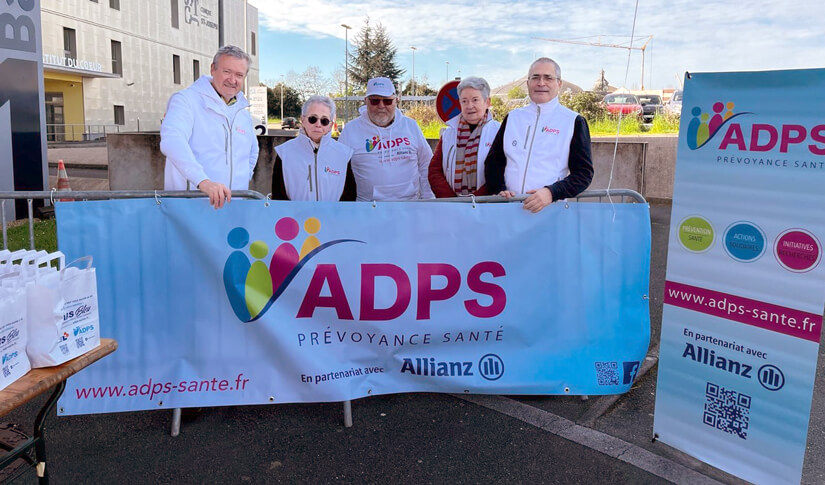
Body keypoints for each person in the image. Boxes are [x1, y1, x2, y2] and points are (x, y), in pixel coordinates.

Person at [484, 57, 593, 213]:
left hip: (550, 212)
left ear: (559, 84)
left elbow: (583, 174)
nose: (541, 83)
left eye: (548, 77)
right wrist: (499, 189)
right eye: (535, 77)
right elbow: (494, 162)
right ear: (528, 83)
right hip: (509, 211)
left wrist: (551, 193)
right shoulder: (513, 118)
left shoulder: (573, 121)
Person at [160, 45, 259, 209]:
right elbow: (172, 141)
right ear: (213, 69)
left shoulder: (242, 111)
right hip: (192, 206)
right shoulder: (186, 100)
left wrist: (242, 178)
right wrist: (203, 182)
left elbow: (252, 150)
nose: (232, 80)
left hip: (233, 206)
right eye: (227, 71)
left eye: (239, 75)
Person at [338, 77, 434, 201]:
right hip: (369, 209)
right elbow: (334, 169)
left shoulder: (411, 126)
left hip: (409, 206)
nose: (381, 106)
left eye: (387, 101)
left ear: (396, 101)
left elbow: (426, 163)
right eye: (375, 101)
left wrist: (428, 200)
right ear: (365, 101)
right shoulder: (351, 130)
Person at [271, 95, 356, 201]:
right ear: (303, 120)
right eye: (313, 119)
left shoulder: (344, 154)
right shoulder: (284, 153)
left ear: (330, 125)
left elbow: (349, 197)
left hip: (332, 217)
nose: (318, 124)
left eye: (324, 120)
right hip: (295, 217)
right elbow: (278, 197)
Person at [428, 76, 501, 197]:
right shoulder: (449, 133)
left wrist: (476, 200)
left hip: (486, 204)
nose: (469, 106)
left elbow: (501, 171)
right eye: (464, 101)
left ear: (487, 102)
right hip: (454, 206)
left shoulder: (499, 132)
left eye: (475, 100)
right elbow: (434, 170)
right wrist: (452, 200)